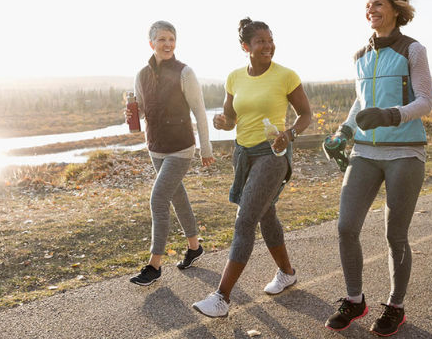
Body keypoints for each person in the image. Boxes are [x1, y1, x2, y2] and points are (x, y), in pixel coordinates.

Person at [323, 0, 432, 336]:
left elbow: (425, 101)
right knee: (345, 227)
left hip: (405, 152)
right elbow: (360, 104)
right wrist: (343, 131)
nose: (371, 9)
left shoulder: (412, 49)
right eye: (367, 5)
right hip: (365, 154)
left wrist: (390, 115)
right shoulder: (360, 55)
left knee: (395, 235)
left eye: (378, 4)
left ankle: (395, 307)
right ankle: (354, 300)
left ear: (396, 9)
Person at [192, 18, 311, 317]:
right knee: (265, 214)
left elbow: (305, 114)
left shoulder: (286, 75)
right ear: (245, 46)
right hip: (243, 155)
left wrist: (290, 134)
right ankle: (287, 272)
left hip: (273, 154)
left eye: (270, 40)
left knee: (245, 220)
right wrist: (223, 122)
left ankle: (221, 297)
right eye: (260, 41)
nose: (268, 45)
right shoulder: (234, 78)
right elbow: (231, 118)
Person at [126, 20, 215, 286]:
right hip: (155, 147)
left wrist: (205, 149)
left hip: (181, 148)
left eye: (171, 39)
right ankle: (194, 246)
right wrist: (133, 113)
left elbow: (200, 112)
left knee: (158, 199)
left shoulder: (185, 73)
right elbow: (142, 108)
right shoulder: (141, 74)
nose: (168, 44)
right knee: (177, 197)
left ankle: (154, 265)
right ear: (151, 43)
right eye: (162, 39)